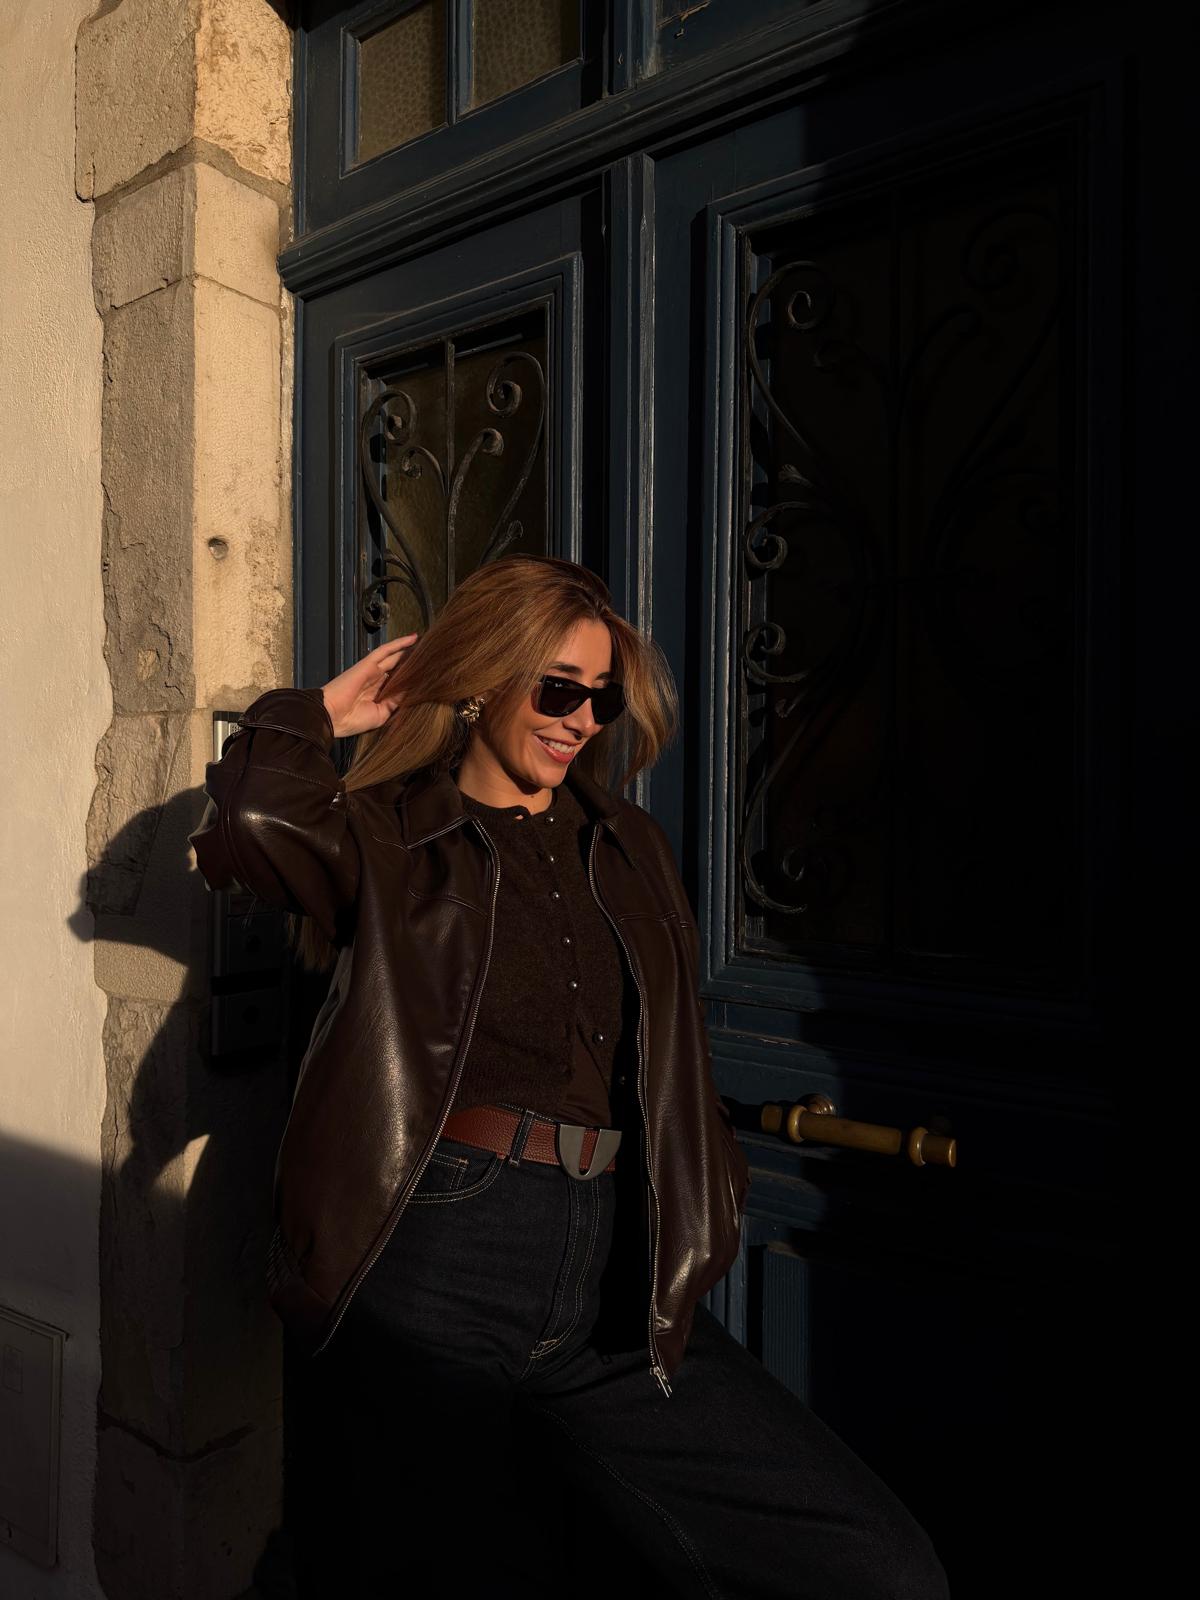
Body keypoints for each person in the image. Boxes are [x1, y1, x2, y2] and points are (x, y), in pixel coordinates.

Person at [189, 555, 948, 1599]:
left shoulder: (627, 845)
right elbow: (249, 826)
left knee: (877, 1563)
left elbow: (673, 1045)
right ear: (483, 682)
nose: (582, 719)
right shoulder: (394, 835)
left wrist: (711, 1193)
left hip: (615, 1268)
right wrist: (319, 713)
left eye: (601, 697)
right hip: (439, 1252)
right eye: (557, 690)